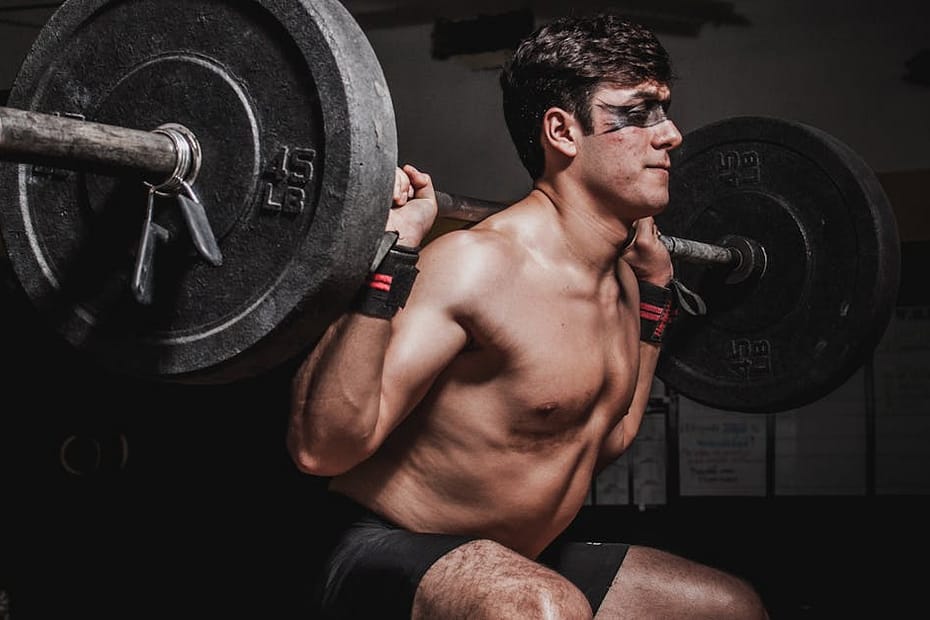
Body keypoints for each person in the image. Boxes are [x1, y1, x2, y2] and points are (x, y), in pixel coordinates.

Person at [288, 12, 769, 619]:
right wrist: (387, 262)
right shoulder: (475, 265)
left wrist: (656, 294)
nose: (670, 134)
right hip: (377, 548)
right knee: (539, 608)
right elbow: (322, 449)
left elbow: (610, 434)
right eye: (639, 113)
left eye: (665, 110)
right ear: (563, 133)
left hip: (519, 561)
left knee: (727, 607)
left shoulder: (623, 280)